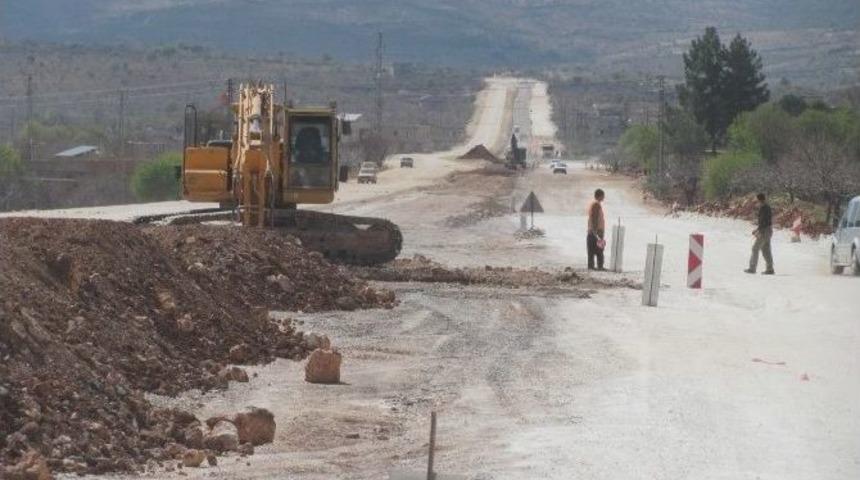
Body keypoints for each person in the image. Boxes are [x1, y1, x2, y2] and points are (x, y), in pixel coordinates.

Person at [745, 193, 775, 275]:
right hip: (767, 230)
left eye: (756, 199)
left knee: (755, 248)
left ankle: (752, 268)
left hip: (764, 231)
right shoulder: (766, 207)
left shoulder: (764, 208)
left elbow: (764, 221)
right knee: (766, 250)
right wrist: (758, 229)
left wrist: (759, 230)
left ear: (758, 199)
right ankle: (770, 269)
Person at [587, 189, 606, 270]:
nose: (604, 197)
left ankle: (594, 266)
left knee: (594, 250)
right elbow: (594, 218)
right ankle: (598, 266)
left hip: (594, 231)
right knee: (598, 250)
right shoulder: (596, 205)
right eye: (603, 196)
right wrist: (595, 232)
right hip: (596, 231)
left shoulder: (595, 204)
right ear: (600, 196)